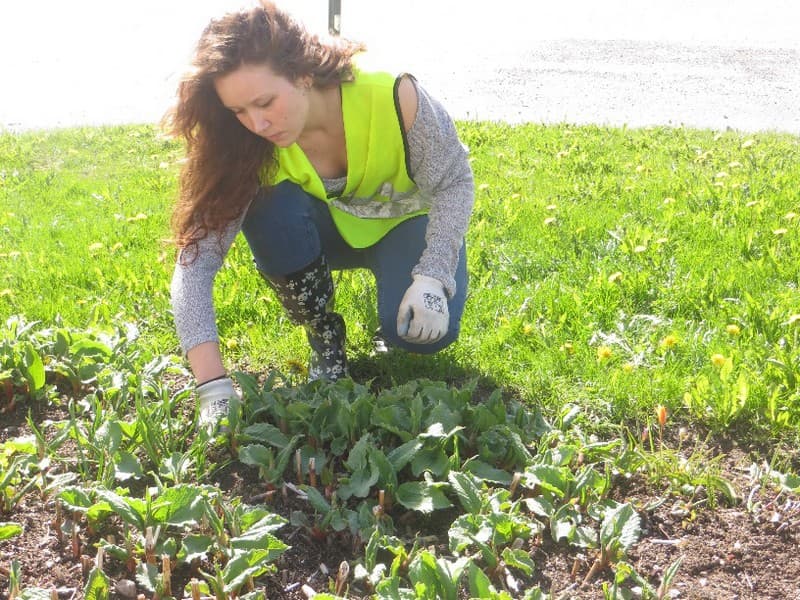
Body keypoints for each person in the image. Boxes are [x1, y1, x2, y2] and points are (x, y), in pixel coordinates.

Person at [167, 1, 474, 429]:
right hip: (322, 235)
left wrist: (434, 275)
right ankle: (326, 336)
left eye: (265, 102)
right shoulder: (246, 143)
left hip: (405, 227)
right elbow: (193, 266)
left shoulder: (393, 93)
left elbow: (455, 181)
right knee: (268, 204)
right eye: (238, 111)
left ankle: (396, 308)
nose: (255, 123)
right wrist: (212, 386)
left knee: (420, 338)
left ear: (303, 73)